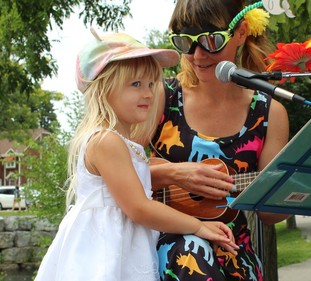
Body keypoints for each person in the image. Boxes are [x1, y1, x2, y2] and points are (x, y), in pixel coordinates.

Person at [34, 28, 239, 281]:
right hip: (104, 255)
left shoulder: (124, 143)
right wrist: (198, 226)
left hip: (124, 247)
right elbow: (139, 208)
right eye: (136, 84)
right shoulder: (105, 140)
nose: (149, 93)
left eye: (151, 84)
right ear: (104, 89)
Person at [149, 0, 290, 280]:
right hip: (162, 239)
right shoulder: (160, 97)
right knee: (189, 250)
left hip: (232, 246)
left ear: (240, 33)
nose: (197, 55)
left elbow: (270, 216)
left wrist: (293, 190)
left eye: (211, 40)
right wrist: (177, 173)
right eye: (185, 42)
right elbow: (114, 173)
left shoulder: (269, 112)